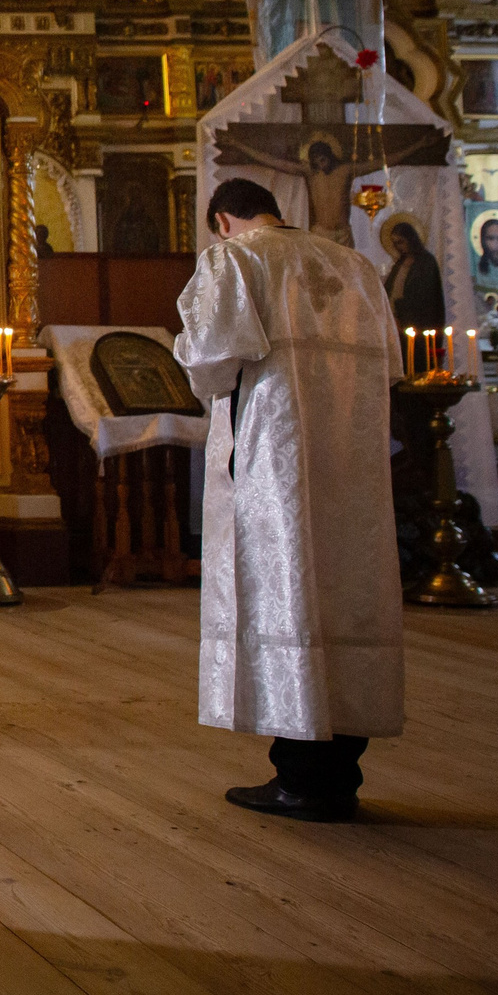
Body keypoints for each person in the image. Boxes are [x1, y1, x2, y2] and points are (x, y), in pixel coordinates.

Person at [174, 178, 405, 822]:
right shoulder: (354, 264)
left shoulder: (235, 259)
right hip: (351, 457)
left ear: (222, 220)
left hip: (278, 459)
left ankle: (301, 775)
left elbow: (211, 362)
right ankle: (338, 771)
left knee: (287, 589)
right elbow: (388, 365)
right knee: (345, 590)